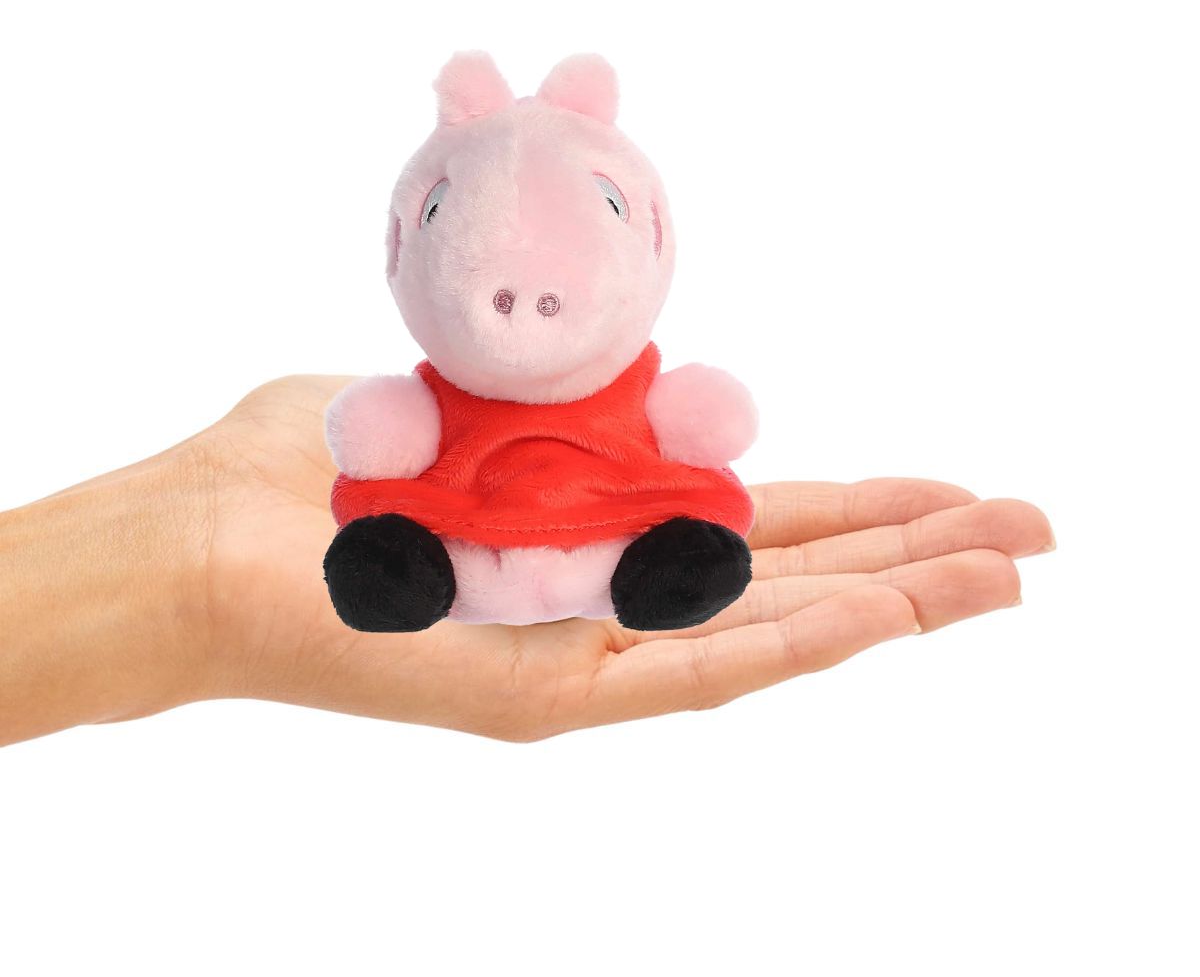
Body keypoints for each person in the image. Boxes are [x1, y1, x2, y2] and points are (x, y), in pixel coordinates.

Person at [0, 376, 1054, 747]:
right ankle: (410, 565)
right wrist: (194, 579)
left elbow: (698, 421)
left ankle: (663, 561)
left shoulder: (634, 385)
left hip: (607, 512)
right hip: (461, 529)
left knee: (676, 517)